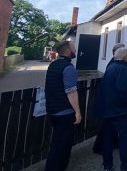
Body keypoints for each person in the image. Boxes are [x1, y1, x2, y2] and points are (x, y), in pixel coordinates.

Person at [45, 41, 82, 171]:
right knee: (62, 145)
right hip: (64, 112)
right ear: (67, 51)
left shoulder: (53, 65)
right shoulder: (68, 68)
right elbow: (71, 92)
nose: (75, 50)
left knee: (57, 141)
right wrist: (77, 112)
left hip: (52, 110)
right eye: (73, 48)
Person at [99, 47, 127, 171]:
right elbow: (122, 90)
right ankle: (125, 165)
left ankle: (107, 166)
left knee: (108, 138)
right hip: (120, 111)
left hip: (108, 110)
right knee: (125, 137)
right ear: (124, 56)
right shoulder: (123, 69)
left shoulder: (110, 67)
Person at [92, 43, 125, 154]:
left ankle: (114, 143)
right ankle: (99, 147)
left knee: (113, 124)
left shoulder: (113, 63)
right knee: (108, 125)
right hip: (110, 102)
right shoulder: (113, 65)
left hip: (110, 101)